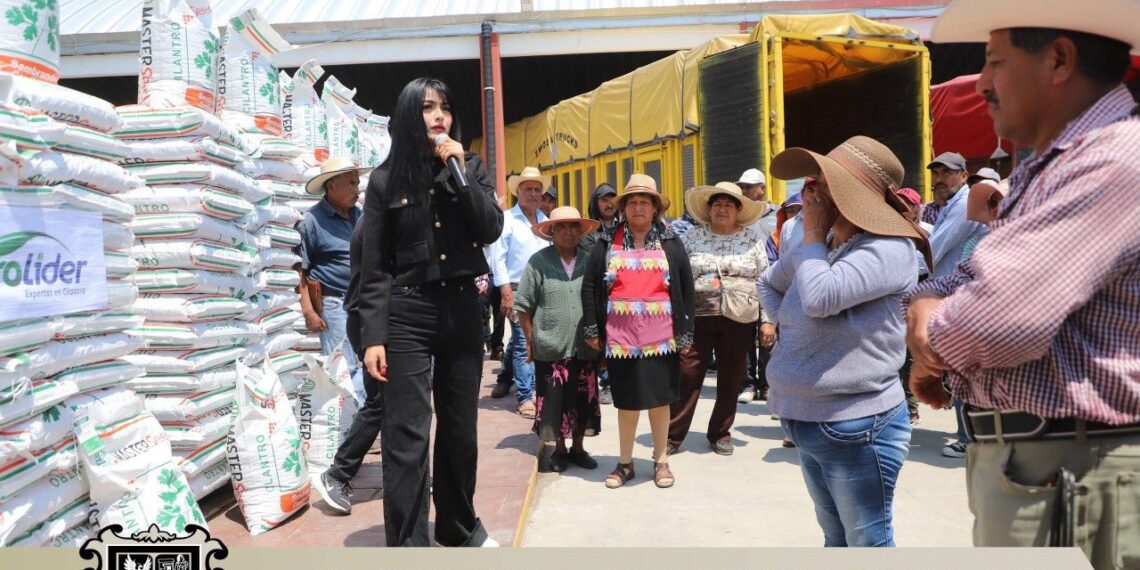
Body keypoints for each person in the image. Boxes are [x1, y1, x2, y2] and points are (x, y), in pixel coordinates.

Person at [907, 5, 1139, 562]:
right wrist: (928, 306)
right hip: (1051, 465)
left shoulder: (1109, 161)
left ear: (1059, 60)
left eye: (994, 63)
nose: (983, 83)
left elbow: (996, 322)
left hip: (1072, 469)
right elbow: (966, 277)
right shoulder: (1058, 163)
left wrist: (931, 334)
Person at [757, 135, 932, 547]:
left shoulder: (888, 248)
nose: (810, 188)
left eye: (821, 180)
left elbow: (819, 300)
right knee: (834, 537)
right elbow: (768, 284)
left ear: (850, 194)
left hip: (858, 423)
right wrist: (792, 317)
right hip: (806, 416)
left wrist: (813, 236)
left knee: (866, 542)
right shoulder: (818, 243)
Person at [357, 77, 504, 547]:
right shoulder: (383, 182)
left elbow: (489, 228)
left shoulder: (470, 167)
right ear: (406, 116)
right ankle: (408, 544)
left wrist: (458, 171)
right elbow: (374, 265)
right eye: (426, 108)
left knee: (460, 430)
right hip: (406, 315)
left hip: (462, 309)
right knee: (406, 436)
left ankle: (458, 527)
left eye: (444, 107)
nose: (439, 116)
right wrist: (372, 336)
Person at [581, 174, 695, 489]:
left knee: (660, 400)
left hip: (662, 338)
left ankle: (661, 461)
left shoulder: (671, 242)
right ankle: (625, 463)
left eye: (645, 201)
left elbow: (686, 287)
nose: (638, 207)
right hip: (621, 339)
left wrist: (686, 332)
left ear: (655, 207)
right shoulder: (606, 241)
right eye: (632, 202)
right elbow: (590, 286)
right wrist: (592, 328)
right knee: (627, 402)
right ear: (624, 208)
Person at [668, 182, 769, 456]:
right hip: (697, 318)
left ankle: (721, 433)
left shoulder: (752, 239)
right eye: (717, 204)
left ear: (738, 210)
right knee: (687, 373)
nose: (722, 209)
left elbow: (765, 281)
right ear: (709, 209)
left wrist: (767, 320)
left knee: (731, 377)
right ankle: (672, 435)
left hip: (739, 318)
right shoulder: (690, 238)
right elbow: (674, 278)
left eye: (728, 205)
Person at [514, 206, 603, 473]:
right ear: (551, 232)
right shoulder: (538, 262)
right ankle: (560, 450)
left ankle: (578, 448)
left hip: (584, 346)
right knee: (555, 400)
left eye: (573, 226)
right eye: (561, 227)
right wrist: (531, 341)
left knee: (583, 398)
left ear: (580, 231)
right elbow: (524, 306)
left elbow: (601, 301)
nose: (567, 232)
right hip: (550, 345)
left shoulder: (590, 261)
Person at [312, 212, 386, 516]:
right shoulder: (374, 223)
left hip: (382, 321)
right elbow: (373, 284)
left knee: (402, 403)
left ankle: (412, 473)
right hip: (371, 321)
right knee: (381, 402)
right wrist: (373, 339)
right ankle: (338, 474)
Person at [297, 157, 371, 405]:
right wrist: (309, 311)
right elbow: (301, 272)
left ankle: (359, 422)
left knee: (373, 361)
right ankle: (348, 428)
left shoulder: (361, 216)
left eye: (358, 182)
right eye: (350, 183)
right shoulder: (312, 222)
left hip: (365, 302)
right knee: (344, 367)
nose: (356, 189)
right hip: (335, 304)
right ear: (331, 186)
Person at [488, 167, 550, 417]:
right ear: (518, 192)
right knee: (525, 342)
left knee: (526, 341)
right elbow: (497, 259)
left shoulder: (546, 222)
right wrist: (505, 293)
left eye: (537, 189)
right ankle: (526, 396)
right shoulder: (508, 220)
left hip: (544, 290)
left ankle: (507, 377)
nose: (533, 194)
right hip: (517, 289)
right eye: (528, 189)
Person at [584, 182, 620, 405]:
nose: (608, 204)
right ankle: (601, 382)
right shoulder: (588, 231)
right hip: (596, 292)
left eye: (612, 199)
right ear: (595, 203)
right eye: (604, 199)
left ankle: (609, 383)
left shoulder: (624, 228)